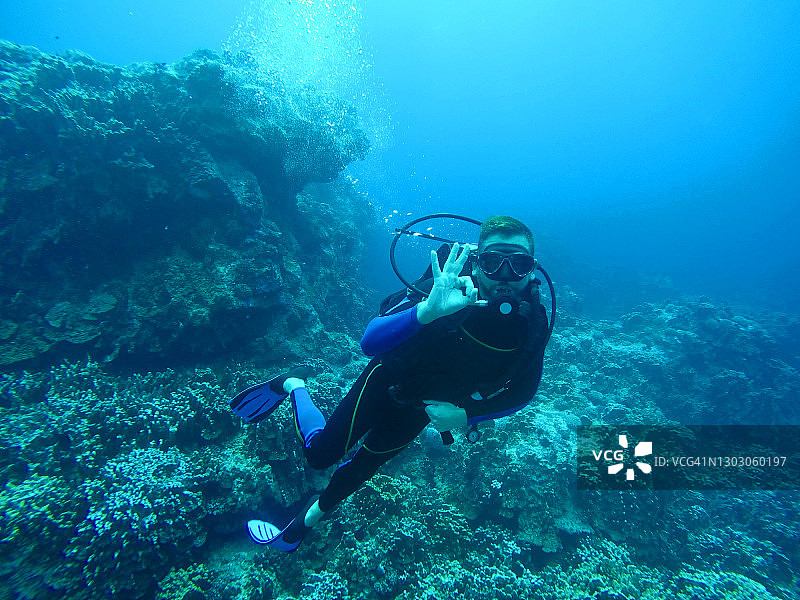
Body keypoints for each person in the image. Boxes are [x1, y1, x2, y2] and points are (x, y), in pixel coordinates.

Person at [246, 215, 552, 551]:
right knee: (319, 456)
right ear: (477, 263)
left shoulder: (532, 323)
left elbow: (523, 392)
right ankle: (293, 384)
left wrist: (464, 416)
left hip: (424, 407)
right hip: (387, 376)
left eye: (519, 265)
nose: (505, 276)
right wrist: (428, 310)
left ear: (532, 269)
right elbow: (369, 342)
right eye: (493, 262)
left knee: (362, 468)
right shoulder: (444, 286)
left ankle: (304, 522)